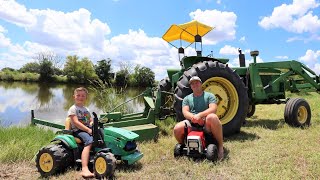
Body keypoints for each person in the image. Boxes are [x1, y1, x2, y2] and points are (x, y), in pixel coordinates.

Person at [173, 76, 224, 160]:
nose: (195, 84)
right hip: (192, 122)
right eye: (192, 83)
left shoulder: (209, 96)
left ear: (201, 84)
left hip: (205, 123)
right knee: (177, 128)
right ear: (190, 86)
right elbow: (185, 112)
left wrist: (200, 115)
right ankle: (184, 146)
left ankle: (220, 147)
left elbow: (213, 108)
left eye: (196, 82)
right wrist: (194, 118)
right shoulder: (187, 98)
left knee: (213, 117)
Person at [68, 87, 94, 178]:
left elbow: (90, 120)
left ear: (86, 97)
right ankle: (84, 168)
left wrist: (92, 124)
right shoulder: (73, 109)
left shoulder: (86, 109)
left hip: (87, 128)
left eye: (83, 95)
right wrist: (88, 130)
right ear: (74, 97)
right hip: (78, 131)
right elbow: (76, 122)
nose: (80, 97)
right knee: (89, 141)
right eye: (78, 95)